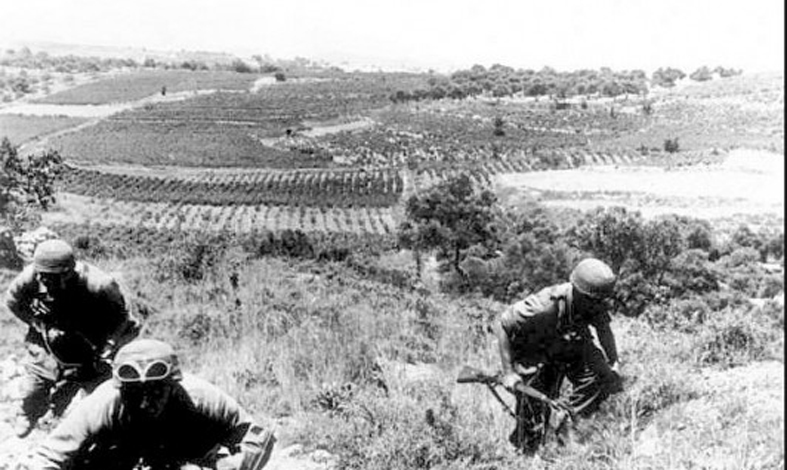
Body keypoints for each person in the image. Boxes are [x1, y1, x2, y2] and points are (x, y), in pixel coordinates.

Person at [17, 338, 276, 470]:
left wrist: (227, 467)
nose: (144, 402)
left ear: (173, 385)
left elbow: (259, 439)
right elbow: (49, 457)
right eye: (134, 393)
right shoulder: (104, 402)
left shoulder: (203, 399)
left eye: (155, 391)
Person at [4, 239, 139, 437]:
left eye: (52, 277)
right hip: (48, 341)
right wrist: (35, 322)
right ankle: (27, 413)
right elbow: (13, 300)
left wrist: (110, 345)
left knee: (101, 393)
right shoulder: (31, 277)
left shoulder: (99, 284)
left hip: (90, 344)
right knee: (36, 385)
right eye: (43, 276)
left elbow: (125, 320)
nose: (46, 282)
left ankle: (103, 430)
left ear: (69, 271)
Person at [494, 257, 623, 452]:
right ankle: (525, 450)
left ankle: (569, 424)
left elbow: (603, 330)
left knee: (602, 376)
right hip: (533, 351)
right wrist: (508, 372)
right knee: (533, 407)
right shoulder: (544, 306)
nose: (599, 305)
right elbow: (503, 324)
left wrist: (614, 361)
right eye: (594, 300)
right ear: (579, 293)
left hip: (570, 343)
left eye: (601, 300)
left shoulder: (593, 300)